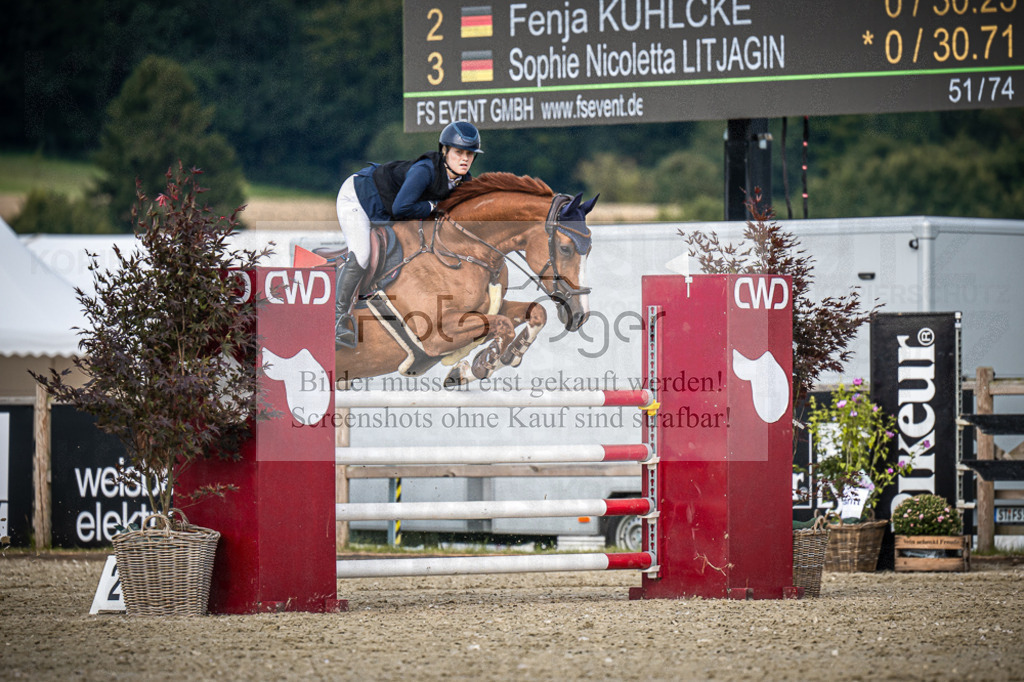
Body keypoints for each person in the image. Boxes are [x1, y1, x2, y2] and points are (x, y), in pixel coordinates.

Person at [333, 120, 483, 348]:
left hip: (385, 209)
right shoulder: (426, 170)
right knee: (362, 255)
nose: (464, 159)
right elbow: (401, 209)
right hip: (359, 198)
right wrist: (433, 207)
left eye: (470, 154)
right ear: (445, 151)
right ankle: (338, 319)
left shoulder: (464, 183)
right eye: (459, 152)